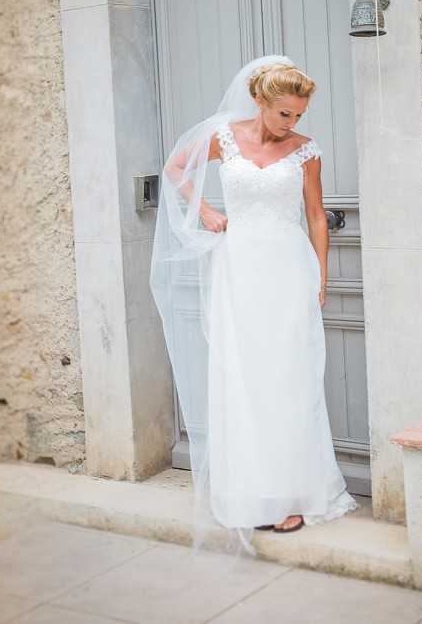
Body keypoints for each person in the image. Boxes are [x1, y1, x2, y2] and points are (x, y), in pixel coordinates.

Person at [149, 54, 358, 555]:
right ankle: (246, 489)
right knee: (242, 375)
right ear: (260, 101)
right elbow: (175, 167)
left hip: (288, 270)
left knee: (288, 377)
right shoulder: (223, 138)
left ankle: (290, 495)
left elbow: (315, 217)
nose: (292, 123)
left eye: (299, 115)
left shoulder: (306, 151)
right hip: (237, 269)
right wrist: (205, 210)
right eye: (284, 113)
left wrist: (321, 277)